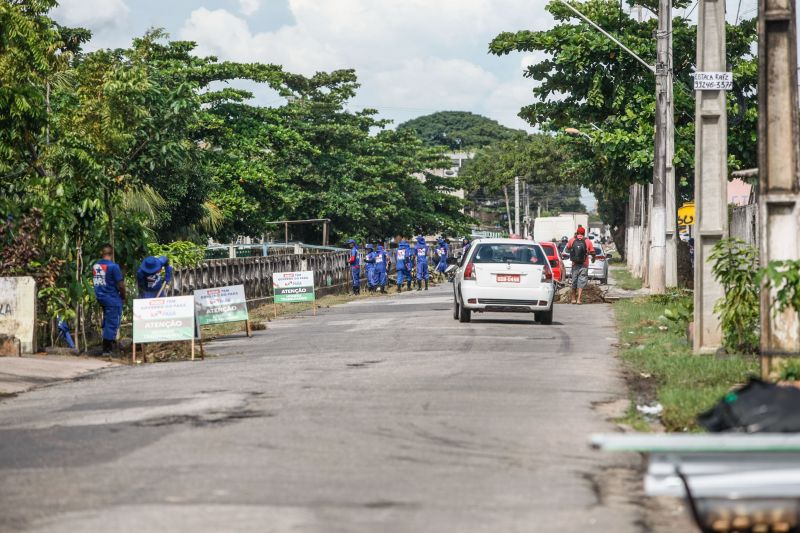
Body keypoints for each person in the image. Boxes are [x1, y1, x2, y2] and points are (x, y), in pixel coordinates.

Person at [92, 244, 126, 356]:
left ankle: (108, 344)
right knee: (112, 322)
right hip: (112, 298)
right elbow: (120, 285)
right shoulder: (113, 267)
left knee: (107, 321)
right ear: (112, 254)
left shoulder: (96, 266)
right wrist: (123, 296)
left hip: (101, 297)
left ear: (102, 254)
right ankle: (107, 349)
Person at [565, 226, 596, 304]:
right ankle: (579, 299)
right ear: (584, 233)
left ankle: (573, 298)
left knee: (574, 281)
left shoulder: (572, 240)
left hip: (575, 264)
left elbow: (567, 249)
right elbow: (593, 252)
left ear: (577, 232)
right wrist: (593, 258)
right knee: (581, 281)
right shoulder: (588, 241)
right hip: (584, 264)